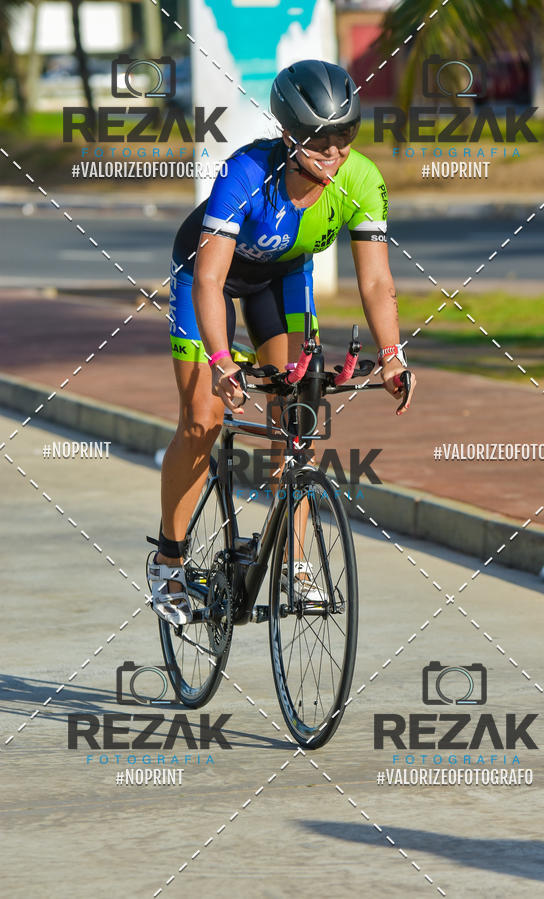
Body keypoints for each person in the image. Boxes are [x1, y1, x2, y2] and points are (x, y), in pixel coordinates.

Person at [147, 58, 416, 625]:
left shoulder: (362, 179)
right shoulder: (245, 173)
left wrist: (393, 356)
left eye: (345, 138)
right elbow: (213, 280)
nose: (335, 154)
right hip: (206, 273)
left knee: (298, 413)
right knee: (202, 417)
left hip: (282, 278)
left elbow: (374, 280)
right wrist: (221, 363)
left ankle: (294, 560)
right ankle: (168, 560)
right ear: (290, 135)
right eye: (322, 142)